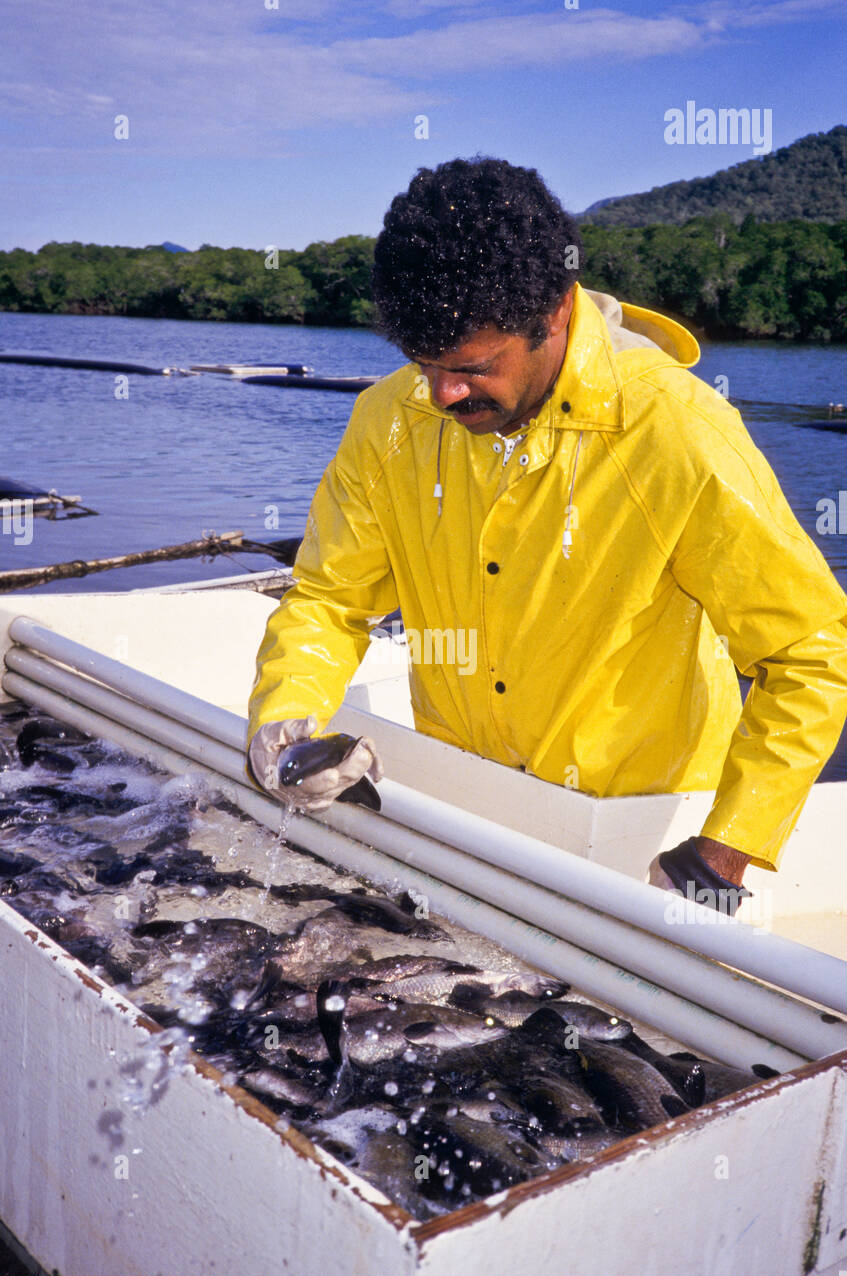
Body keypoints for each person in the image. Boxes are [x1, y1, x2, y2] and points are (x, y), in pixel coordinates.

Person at [247, 156, 847, 914]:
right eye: (422, 364)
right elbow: (330, 600)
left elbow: (809, 657)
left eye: (470, 366)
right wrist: (286, 722)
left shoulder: (677, 431)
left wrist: (721, 852)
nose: (442, 393)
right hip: (467, 806)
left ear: (556, 312)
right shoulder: (388, 419)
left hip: (645, 828)